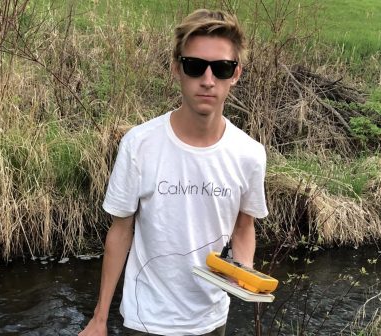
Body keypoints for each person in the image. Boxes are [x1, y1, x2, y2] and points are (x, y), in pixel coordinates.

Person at [79, 8, 268, 336]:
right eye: (195, 67)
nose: (208, 80)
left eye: (221, 69)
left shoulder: (249, 154)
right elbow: (120, 232)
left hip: (211, 321)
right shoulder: (139, 144)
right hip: (145, 320)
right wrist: (99, 319)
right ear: (176, 69)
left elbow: (244, 224)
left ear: (235, 74)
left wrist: (244, 270)